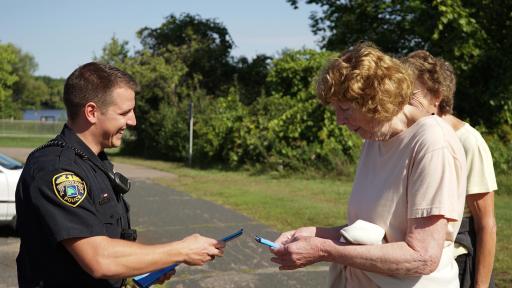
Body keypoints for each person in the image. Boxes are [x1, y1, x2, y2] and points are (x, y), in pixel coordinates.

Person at [269, 42, 467, 287]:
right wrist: (312, 233)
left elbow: (422, 256)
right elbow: (375, 233)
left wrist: (324, 249)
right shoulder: (374, 139)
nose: (339, 121)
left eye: (344, 109)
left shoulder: (432, 142)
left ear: (374, 99)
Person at [15, 62, 225, 287]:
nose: (133, 121)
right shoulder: (57, 170)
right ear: (92, 112)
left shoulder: (94, 161)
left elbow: (110, 237)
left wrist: (147, 266)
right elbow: (99, 259)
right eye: (125, 112)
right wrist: (180, 251)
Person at [403, 50, 497, 288]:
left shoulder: (468, 141)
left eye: (410, 95)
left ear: (437, 96)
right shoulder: (407, 136)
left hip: (458, 265)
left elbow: (485, 224)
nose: (401, 104)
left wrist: (481, 286)